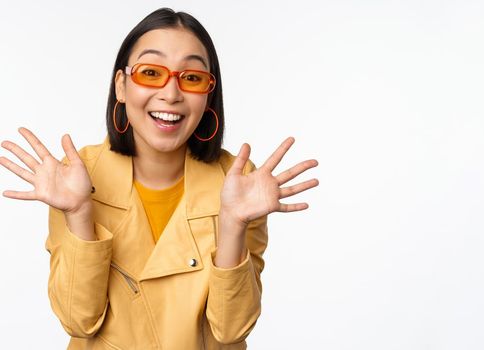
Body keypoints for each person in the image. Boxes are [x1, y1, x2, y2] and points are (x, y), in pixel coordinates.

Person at [0, 7, 319, 349]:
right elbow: (79, 321)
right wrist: (78, 213)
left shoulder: (238, 181)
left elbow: (231, 330)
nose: (171, 94)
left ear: (208, 94)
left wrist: (232, 224)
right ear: (121, 86)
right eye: (151, 73)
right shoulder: (79, 175)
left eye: (192, 78)